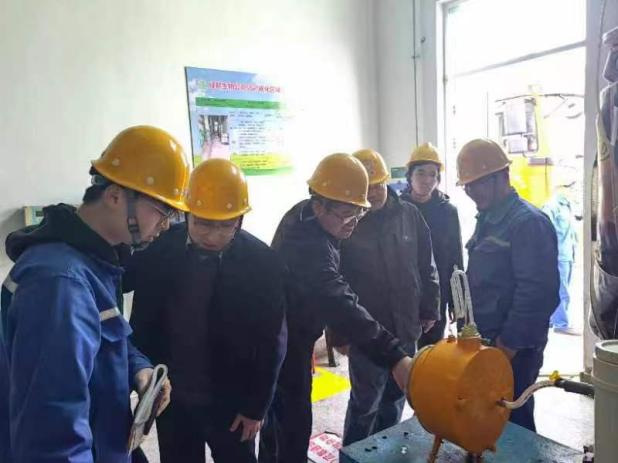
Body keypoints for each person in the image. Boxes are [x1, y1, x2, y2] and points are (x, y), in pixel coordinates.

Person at [0, 125, 189, 462]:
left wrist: (139, 370)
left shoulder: (96, 260)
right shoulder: (60, 285)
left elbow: (105, 341)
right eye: (163, 212)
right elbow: (54, 436)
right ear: (115, 197)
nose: (166, 226)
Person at [125, 158, 287, 463]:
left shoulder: (263, 264)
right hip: (172, 396)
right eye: (202, 223)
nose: (213, 236)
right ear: (186, 213)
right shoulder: (159, 245)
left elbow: (272, 342)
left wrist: (256, 408)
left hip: (231, 402)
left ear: (240, 219)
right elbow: (125, 286)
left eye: (225, 226)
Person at [259, 153, 413, 463]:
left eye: (358, 212)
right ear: (320, 206)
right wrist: (395, 355)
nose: (353, 221)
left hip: (289, 332)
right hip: (283, 340)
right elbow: (339, 300)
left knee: (278, 420)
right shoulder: (306, 245)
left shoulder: (308, 215)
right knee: (293, 424)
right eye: (346, 213)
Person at [456, 138, 559, 432]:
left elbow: (538, 294)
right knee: (489, 415)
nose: (471, 193)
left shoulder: (528, 223)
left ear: (502, 175)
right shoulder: (489, 217)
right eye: (467, 186)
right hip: (488, 340)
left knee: (513, 419)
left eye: (477, 184)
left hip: (515, 348)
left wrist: (507, 346)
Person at [339, 149, 440, 445]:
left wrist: (429, 308)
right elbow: (337, 282)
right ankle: (354, 455)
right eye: (366, 188)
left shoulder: (410, 215)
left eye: (377, 185)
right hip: (367, 332)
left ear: (387, 182)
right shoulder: (349, 223)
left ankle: (385, 452)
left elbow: (427, 264)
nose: (372, 193)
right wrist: (339, 333)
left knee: (396, 398)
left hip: (406, 325)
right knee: (365, 403)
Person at [401, 142, 463, 347]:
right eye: (421, 173)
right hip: (404, 293)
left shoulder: (447, 212)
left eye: (433, 174)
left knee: (432, 351)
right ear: (410, 176)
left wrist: (456, 302)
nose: (427, 180)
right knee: (405, 351)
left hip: (437, 294)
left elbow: (455, 257)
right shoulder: (398, 210)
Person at [543, 187, 580, 336]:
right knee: (561, 291)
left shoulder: (567, 206)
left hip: (567, 254)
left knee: (564, 288)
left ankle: (553, 319)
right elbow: (546, 230)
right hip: (558, 256)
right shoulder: (551, 206)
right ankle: (561, 324)